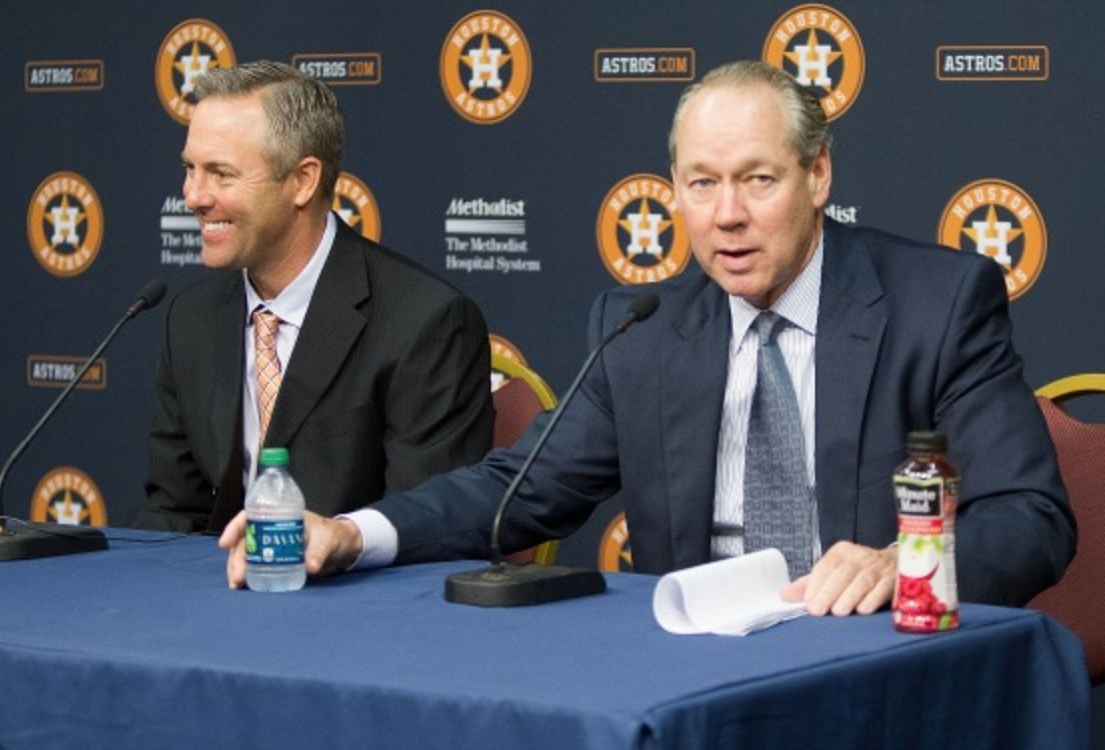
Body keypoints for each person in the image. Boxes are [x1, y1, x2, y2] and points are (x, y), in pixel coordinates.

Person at [221, 60, 1075, 615]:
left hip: (872, 662)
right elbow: (515, 488)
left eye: (758, 180)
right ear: (673, 190)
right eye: (701, 184)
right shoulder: (645, 332)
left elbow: (1030, 518)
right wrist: (351, 532)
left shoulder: (939, 303)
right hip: (698, 679)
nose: (727, 215)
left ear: (818, 177)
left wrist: (903, 563)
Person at [137, 61, 494, 533]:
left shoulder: (426, 323)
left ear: (303, 181)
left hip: (359, 600)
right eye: (190, 169)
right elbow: (172, 513)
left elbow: (430, 529)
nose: (193, 196)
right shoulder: (191, 318)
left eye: (221, 174)